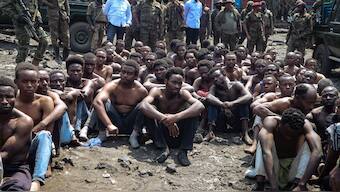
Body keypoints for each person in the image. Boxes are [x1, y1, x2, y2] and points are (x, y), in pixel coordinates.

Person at [140, 67, 205, 166]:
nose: (177, 86)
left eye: (180, 83)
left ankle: (183, 151)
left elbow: (200, 106)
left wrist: (175, 117)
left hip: (179, 133)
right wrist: (165, 118)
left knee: (193, 113)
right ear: (166, 81)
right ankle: (163, 148)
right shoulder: (157, 91)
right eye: (174, 82)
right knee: (149, 110)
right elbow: (143, 105)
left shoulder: (183, 93)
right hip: (161, 134)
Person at [255, 108, 322, 190]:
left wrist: (302, 184)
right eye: (286, 133)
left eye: (293, 134)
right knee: (263, 140)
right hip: (272, 170)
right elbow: (266, 153)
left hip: (292, 170)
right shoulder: (271, 122)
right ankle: (260, 183)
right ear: (281, 124)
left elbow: (318, 152)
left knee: (312, 145)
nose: (289, 137)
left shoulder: (305, 125)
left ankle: (297, 184)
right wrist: (274, 186)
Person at [14, 64, 55, 191]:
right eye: (25, 81)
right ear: (16, 82)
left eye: (33, 82)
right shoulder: (11, 101)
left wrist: (48, 162)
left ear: (38, 82)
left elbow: (48, 130)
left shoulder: (44, 101)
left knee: (45, 135)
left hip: (33, 144)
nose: (29, 85)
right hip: (14, 145)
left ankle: (37, 179)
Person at [93, 60, 148, 148]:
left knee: (144, 105)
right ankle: (102, 133)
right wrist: (109, 125)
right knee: (101, 100)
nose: (125, 75)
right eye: (123, 72)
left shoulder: (141, 90)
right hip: (114, 122)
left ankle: (134, 136)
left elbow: (148, 109)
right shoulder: (112, 85)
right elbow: (97, 102)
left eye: (129, 73)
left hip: (131, 124)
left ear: (136, 76)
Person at [0, 76, 33, 191]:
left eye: (9, 97)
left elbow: (4, 154)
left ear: (15, 98)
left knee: (16, 188)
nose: (4, 101)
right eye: (0, 97)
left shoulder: (23, 122)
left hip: (15, 169)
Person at [206, 67, 253, 144]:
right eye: (213, 78)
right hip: (222, 121)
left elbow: (249, 96)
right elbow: (209, 97)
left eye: (217, 76)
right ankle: (210, 132)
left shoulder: (236, 85)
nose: (215, 79)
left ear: (224, 75)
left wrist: (233, 103)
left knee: (243, 103)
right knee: (212, 104)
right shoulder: (214, 88)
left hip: (237, 119)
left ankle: (245, 134)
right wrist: (222, 104)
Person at [4, 0, 48, 66]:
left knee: (44, 41)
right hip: (21, 24)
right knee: (24, 47)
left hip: (33, 21)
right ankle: (20, 68)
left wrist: (38, 16)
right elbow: (4, 6)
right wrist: (17, 16)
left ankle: (35, 65)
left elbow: (35, 6)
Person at [44, 0, 70, 64]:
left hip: (63, 15)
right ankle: (57, 56)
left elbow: (66, 3)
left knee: (66, 36)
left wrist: (68, 14)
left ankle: (65, 57)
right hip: (53, 14)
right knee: (54, 36)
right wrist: (50, 5)